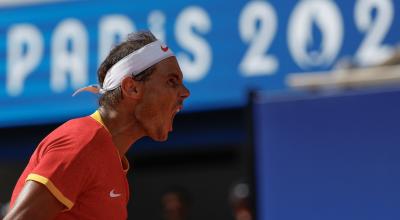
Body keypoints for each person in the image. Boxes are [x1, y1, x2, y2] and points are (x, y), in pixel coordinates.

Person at [4, 31, 190, 220]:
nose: (185, 92)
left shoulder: (112, 164)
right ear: (131, 88)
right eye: (172, 81)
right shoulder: (82, 142)